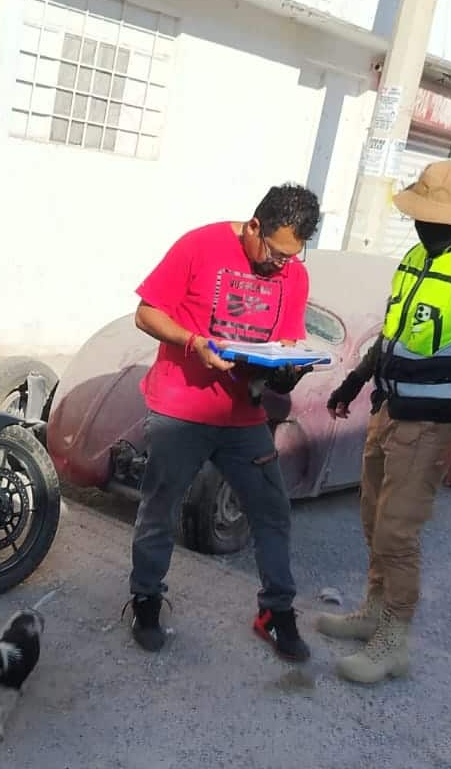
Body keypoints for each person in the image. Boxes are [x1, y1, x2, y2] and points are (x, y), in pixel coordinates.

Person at [316, 159, 451, 685]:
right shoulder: (419, 254)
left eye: (430, 215)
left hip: (436, 424)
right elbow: (395, 332)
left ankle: (395, 642)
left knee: (397, 532)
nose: (420, 223)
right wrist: (356, 380)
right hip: (390, 411)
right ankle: (373, 612)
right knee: (372, 521)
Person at [127, 184, 321, 661]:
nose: (281, 267)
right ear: (255, 226)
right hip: (180, 409)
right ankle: (146, 601)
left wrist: (290, 370)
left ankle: (276, 614)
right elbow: (145, 313)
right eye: (275, 254)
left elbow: (283, 349)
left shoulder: (293, 275)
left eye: (291, 259)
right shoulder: (200, 245)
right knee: (159, 511)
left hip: (242, 415)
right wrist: (194, 343)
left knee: (272, 511)